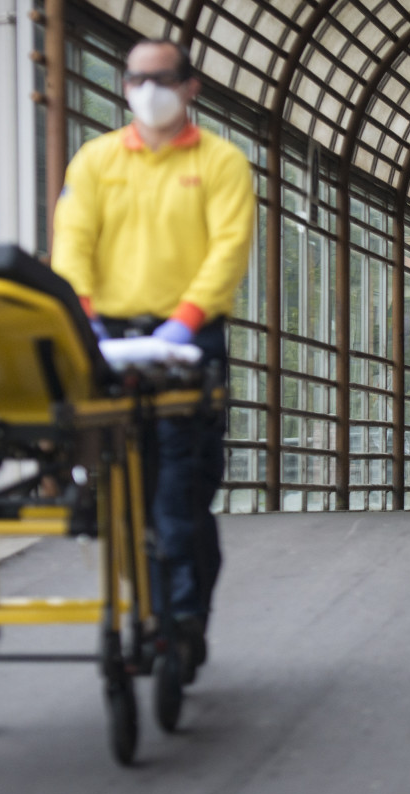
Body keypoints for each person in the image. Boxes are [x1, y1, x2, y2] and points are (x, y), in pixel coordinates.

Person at [51, 38, 255, 682]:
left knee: (180, 488)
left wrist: (184, 322)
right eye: (137, 79)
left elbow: (227, 249)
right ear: (125, 86)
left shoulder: (222, 163)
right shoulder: (97, 161)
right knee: (120, 486)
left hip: (190, 339)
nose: (148, 89)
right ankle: (147, 612)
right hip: (110, 340)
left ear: (190, 86)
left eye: (162, 78)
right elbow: (73, 240)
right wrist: (82, 317)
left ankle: (183, 618)